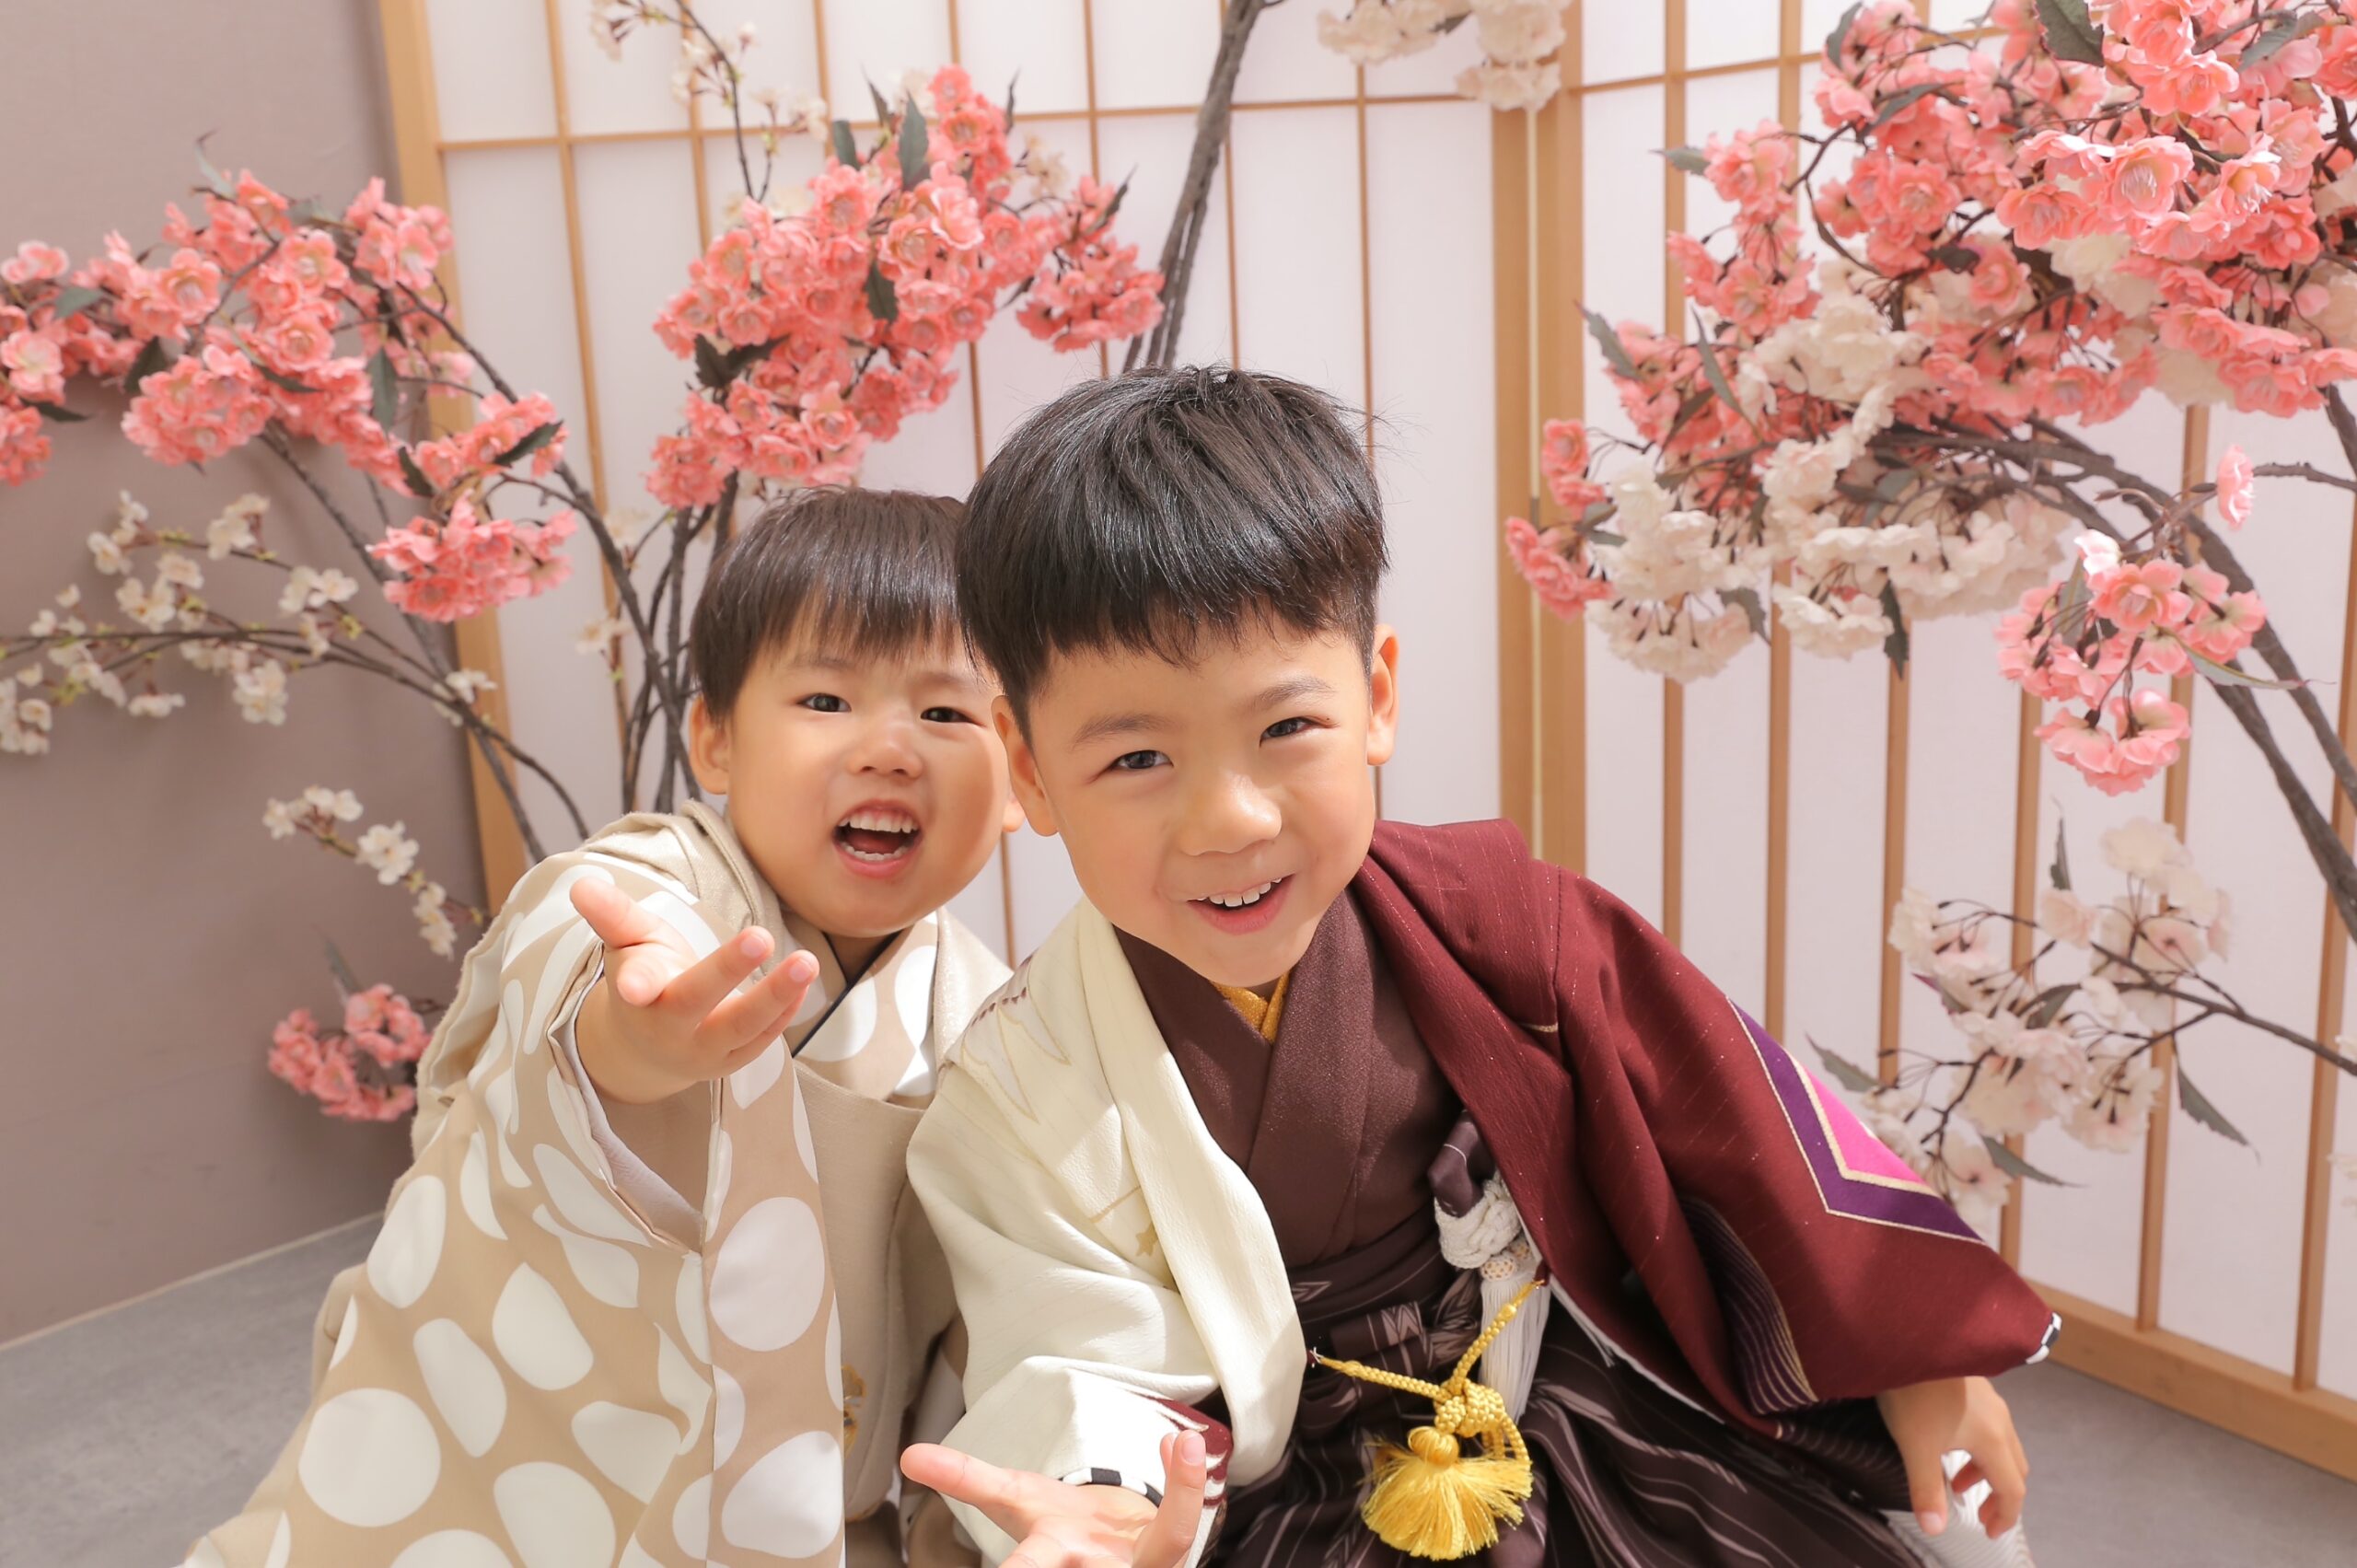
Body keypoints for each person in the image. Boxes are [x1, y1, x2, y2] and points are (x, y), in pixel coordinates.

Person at [900, 367, 2056, 1568]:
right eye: (1138, 758)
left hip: (1538, 1398)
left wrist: (1911, 1353)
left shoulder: (1495, 920)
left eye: (1286, 728)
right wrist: (1114, 1496)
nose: (1231, 819)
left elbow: (1736, 1123)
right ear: (1029, 772)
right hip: (1260, 1486)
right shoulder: (1024, 1076)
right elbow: (1067, 1351)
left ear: (1376, 697)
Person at [191, 488, 1023, 1568]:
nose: (889, 749)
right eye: (826, 698)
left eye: (947, 713)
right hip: (523, 1440)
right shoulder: (654, 886)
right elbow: (577, 950)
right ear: (715, 742)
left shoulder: (993, 1018)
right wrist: (636, 1044)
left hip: (789, 1492)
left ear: (1023, 775)